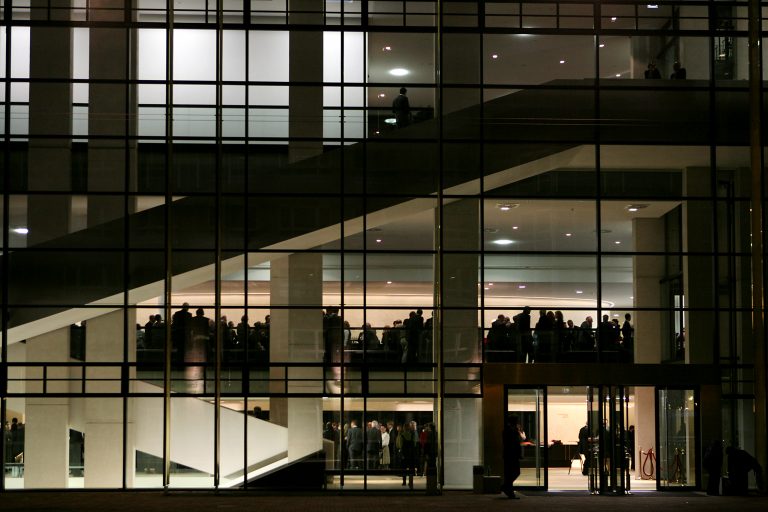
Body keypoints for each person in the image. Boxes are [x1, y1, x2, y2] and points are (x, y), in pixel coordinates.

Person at [502, 415, 522, 499]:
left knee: (511, 473)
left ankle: (507, 488)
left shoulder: (509, 430)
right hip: (511, 454)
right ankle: (507, 489)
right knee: (514, 472)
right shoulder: (511, 430)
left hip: (509, 454)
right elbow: (514, 443)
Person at [397, 421, 418, 488]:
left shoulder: (401, 435)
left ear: (403, 428)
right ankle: (411, 482)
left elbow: (400, 445)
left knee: (404, 468)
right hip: (411, 454)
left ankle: (404, 481)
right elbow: (414, 444)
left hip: (404, 454)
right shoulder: (412, 435)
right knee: (411, 468)